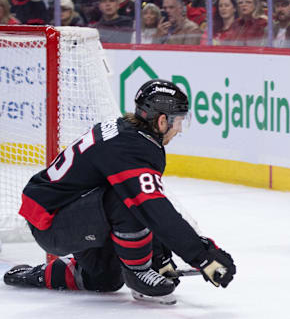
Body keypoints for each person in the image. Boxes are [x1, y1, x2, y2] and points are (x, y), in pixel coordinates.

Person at [3, 79, 236, 304]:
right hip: (51, 222)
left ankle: (41, 275)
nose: (179, 129)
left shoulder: (128, 135)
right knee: (129, 200)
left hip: (67, 213)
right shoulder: (133, 149)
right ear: (163, 121)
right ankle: (139, 273)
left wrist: (160, 255)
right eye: (178, 121)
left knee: (104, 278)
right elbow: (151, 208)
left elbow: (149, 205)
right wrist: (202, 256)